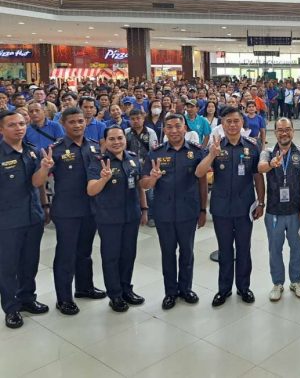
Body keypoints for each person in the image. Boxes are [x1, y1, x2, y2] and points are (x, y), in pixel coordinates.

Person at [194, 106, 265, 306]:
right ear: (222, 125)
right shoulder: (215, 146)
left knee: (244, 249)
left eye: (236, 121)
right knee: (225, 250)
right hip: (221, 208)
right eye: (228, 122)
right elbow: (199, 173)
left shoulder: (253, 145)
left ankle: (244, 287)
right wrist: (212, 155)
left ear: (242, 123)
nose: (232, 125)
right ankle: (223, 289)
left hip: (245, 208)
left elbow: (258, 176)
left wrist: (261, 201)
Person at [140, 114, 208, 309]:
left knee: (187, 252)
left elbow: (202, 181)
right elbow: (143, 184)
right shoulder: (156, 153)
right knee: (168, 253)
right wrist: (152, 179)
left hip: (188, 210)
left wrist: (203, 209)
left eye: (178, 126)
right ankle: (170, 292)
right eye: (169, 127)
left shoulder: (196, 152)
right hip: (164, 212)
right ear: (165, 130)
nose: (174, 130)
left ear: (185, 128)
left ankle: (186, 289)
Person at [48, 108, 106, 316]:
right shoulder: (55, 149)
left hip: (90, 208)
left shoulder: (94, 147)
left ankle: (84, 287)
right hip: (67, 210)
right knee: (66, 254)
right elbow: (42, 177)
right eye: (72, 122)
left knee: (85, 252)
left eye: (80, 121)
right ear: (63, 124)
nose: (77, 125)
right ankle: (63, 298)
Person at [87, 126, 148, 312]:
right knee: (111, 257)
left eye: (119, 138)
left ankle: (126, 289)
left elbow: (139, 187)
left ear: (125, 139)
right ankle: (115, 295)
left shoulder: (132, 159)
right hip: (109, 218)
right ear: (104, 142)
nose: (116, 142)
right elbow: (91, 190)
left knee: (128, 254)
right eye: (111, 139)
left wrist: (144, 208)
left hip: (131, 215)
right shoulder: (99, 162)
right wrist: (103, 179)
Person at [0, 110, 51, 329]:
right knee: (8, 267)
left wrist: (45, 169)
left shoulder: (31, 152)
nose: (19, 128)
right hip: (7, 221)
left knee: (29, 262)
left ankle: (27, 298)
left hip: (33, 217)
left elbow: (36, 182)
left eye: (21, 124)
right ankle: (11, 308)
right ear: (2, 129)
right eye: (12, 125)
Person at [258, 118, 300, 301]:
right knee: (275, 249)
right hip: (274, 211)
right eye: (280, 130)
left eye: (287, 129)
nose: (284, 133)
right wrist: (272, 164)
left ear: (293, 131)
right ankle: (277, 283)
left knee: (297, 248)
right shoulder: (267, 152)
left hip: (296, 211)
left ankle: (295, 281)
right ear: (275, 132)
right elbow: (260, 167)